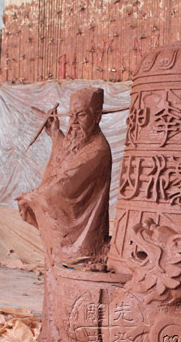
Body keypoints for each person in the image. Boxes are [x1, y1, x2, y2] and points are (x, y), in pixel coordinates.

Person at [16, 87, 112, 266]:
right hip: (69, 239)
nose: (74, 122)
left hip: (83, 236)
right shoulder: (84, 142)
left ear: (97, 117)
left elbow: (63, 185)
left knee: (75, 264)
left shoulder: (98, 150)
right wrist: (55, 132)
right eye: (71, 115)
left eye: (81, 115)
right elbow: (67, 154)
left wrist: (33, 196)